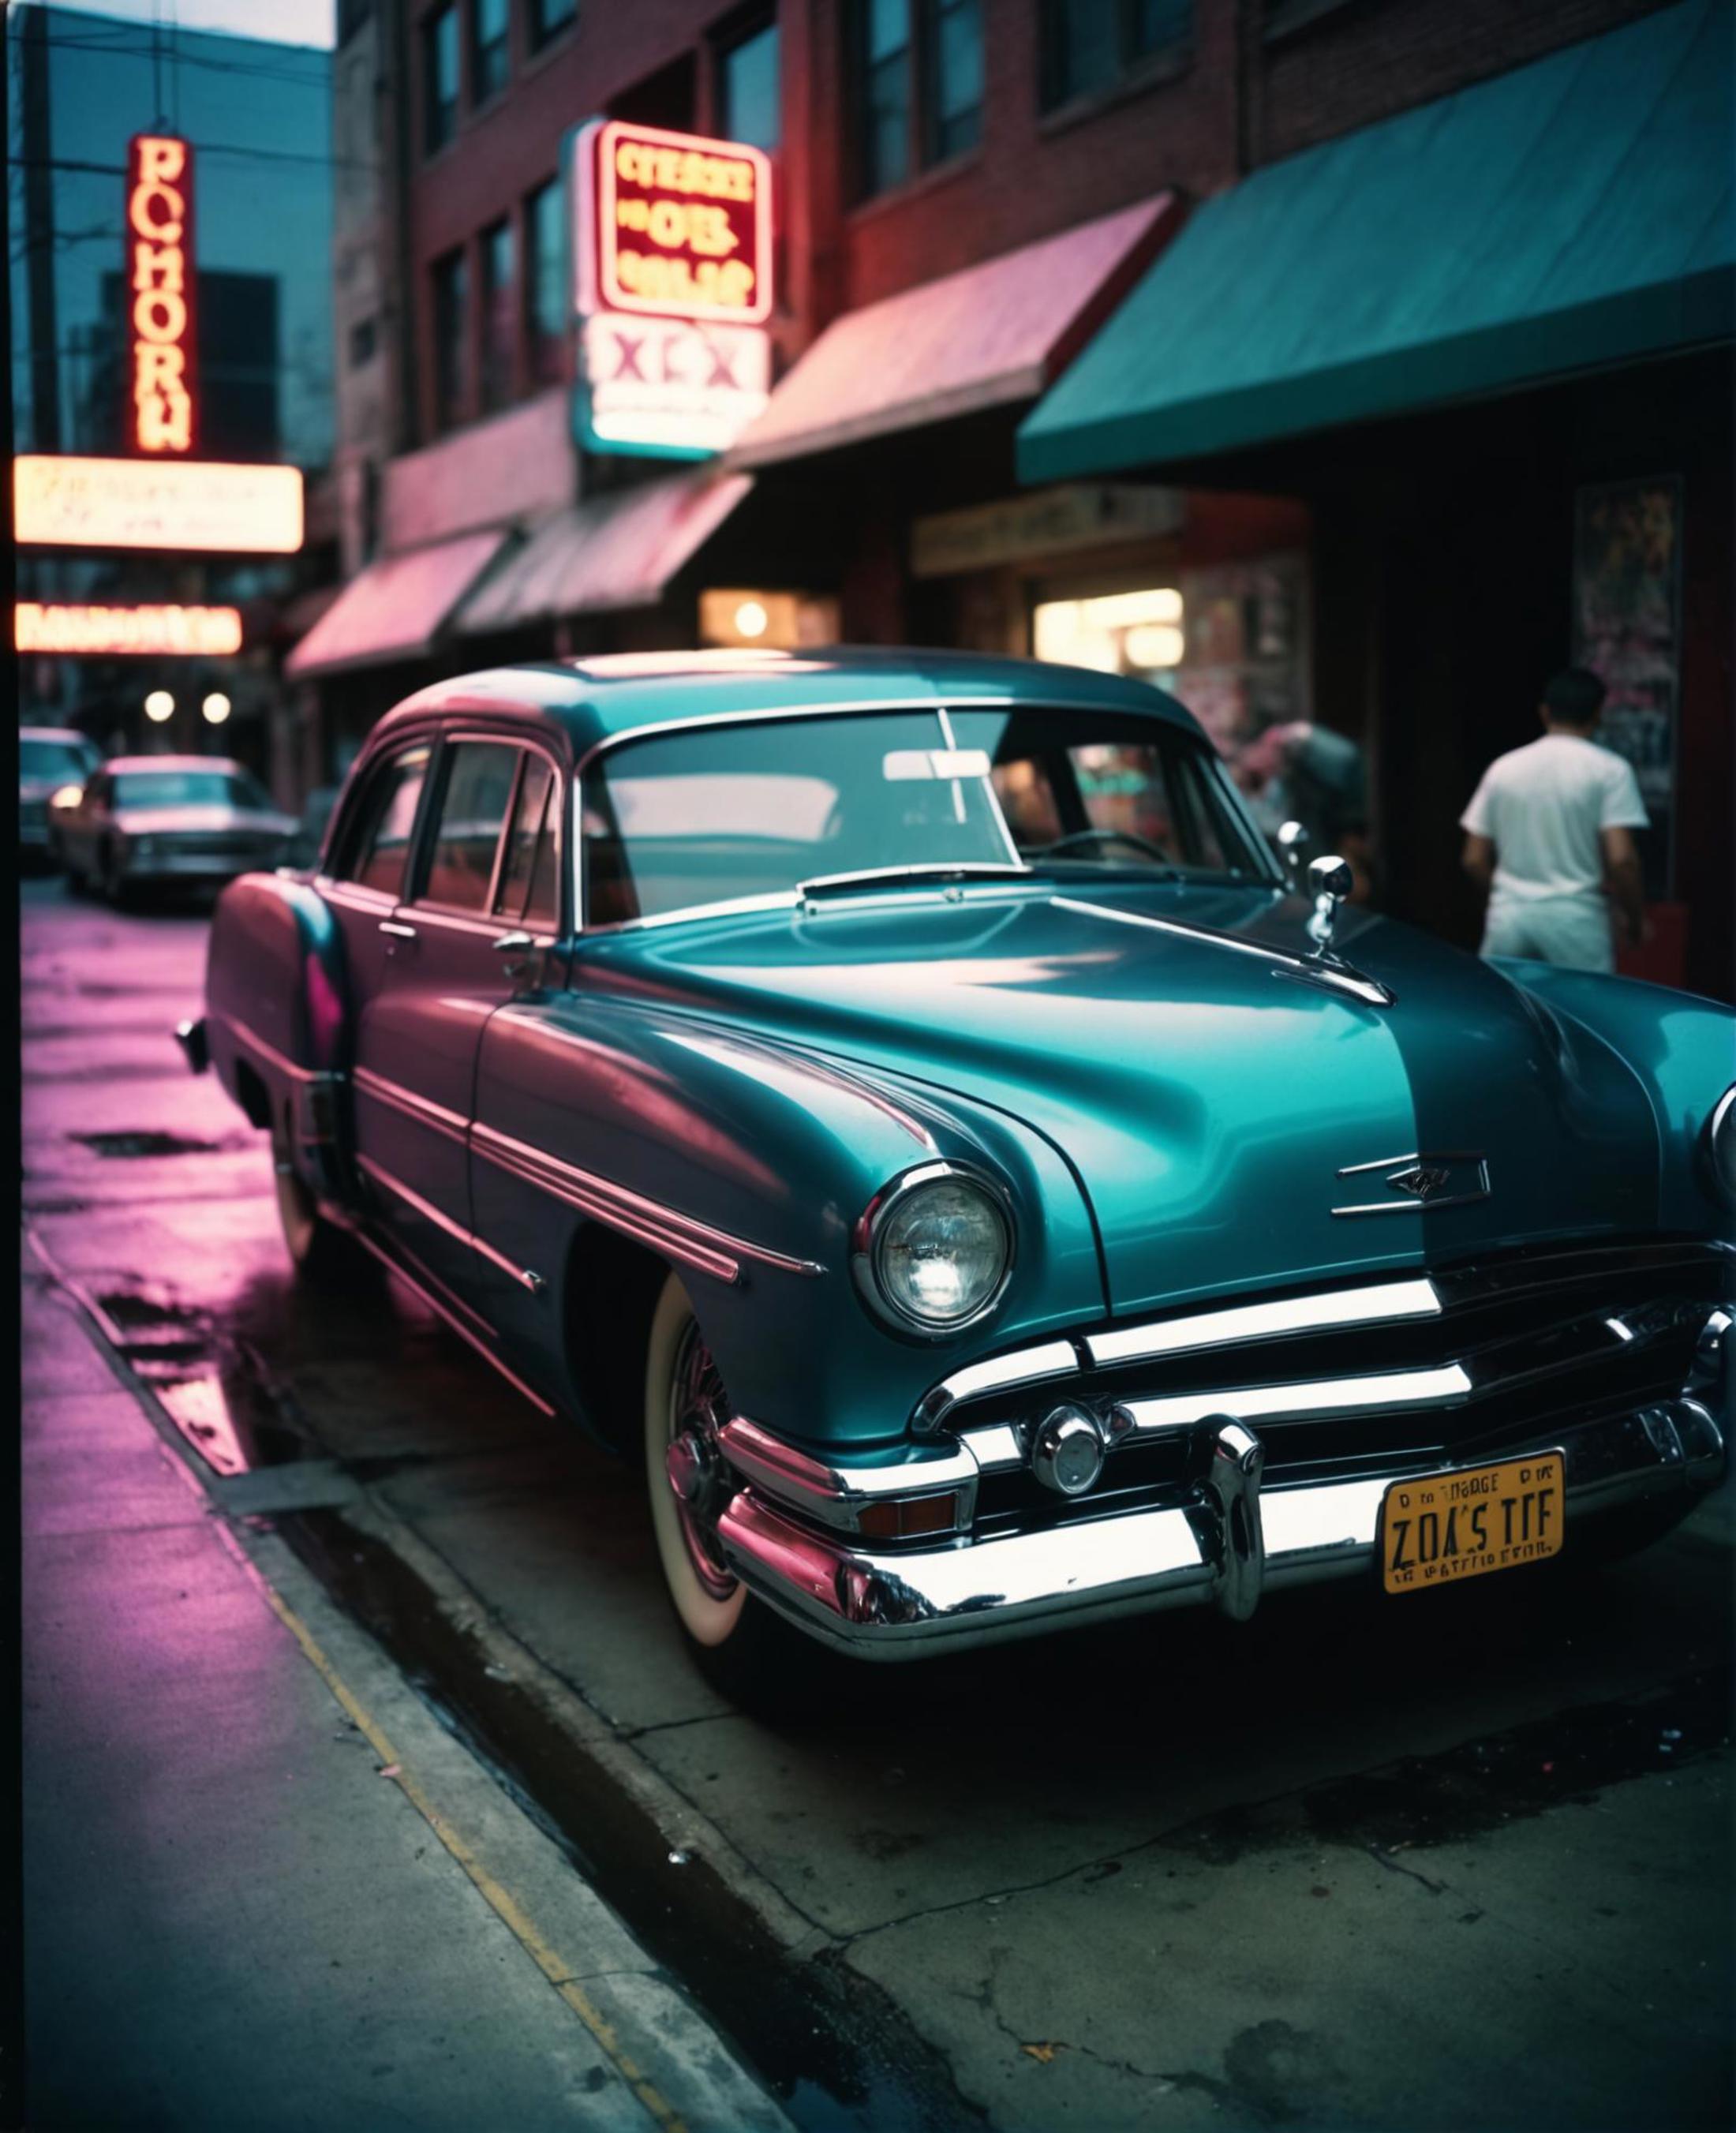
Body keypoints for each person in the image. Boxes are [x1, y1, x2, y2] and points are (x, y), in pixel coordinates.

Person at [1459, 668, 1648, 972]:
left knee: (1507, 1012)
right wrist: (1635, 919)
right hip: (1577, 922)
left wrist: (1503, 899)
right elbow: (1622, 858)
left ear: (1545, 712)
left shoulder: (1503, 769)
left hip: (1510, 918)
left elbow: (1473, 859)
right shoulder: (1610, 770)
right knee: (1584, 1014)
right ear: (1598, 714)